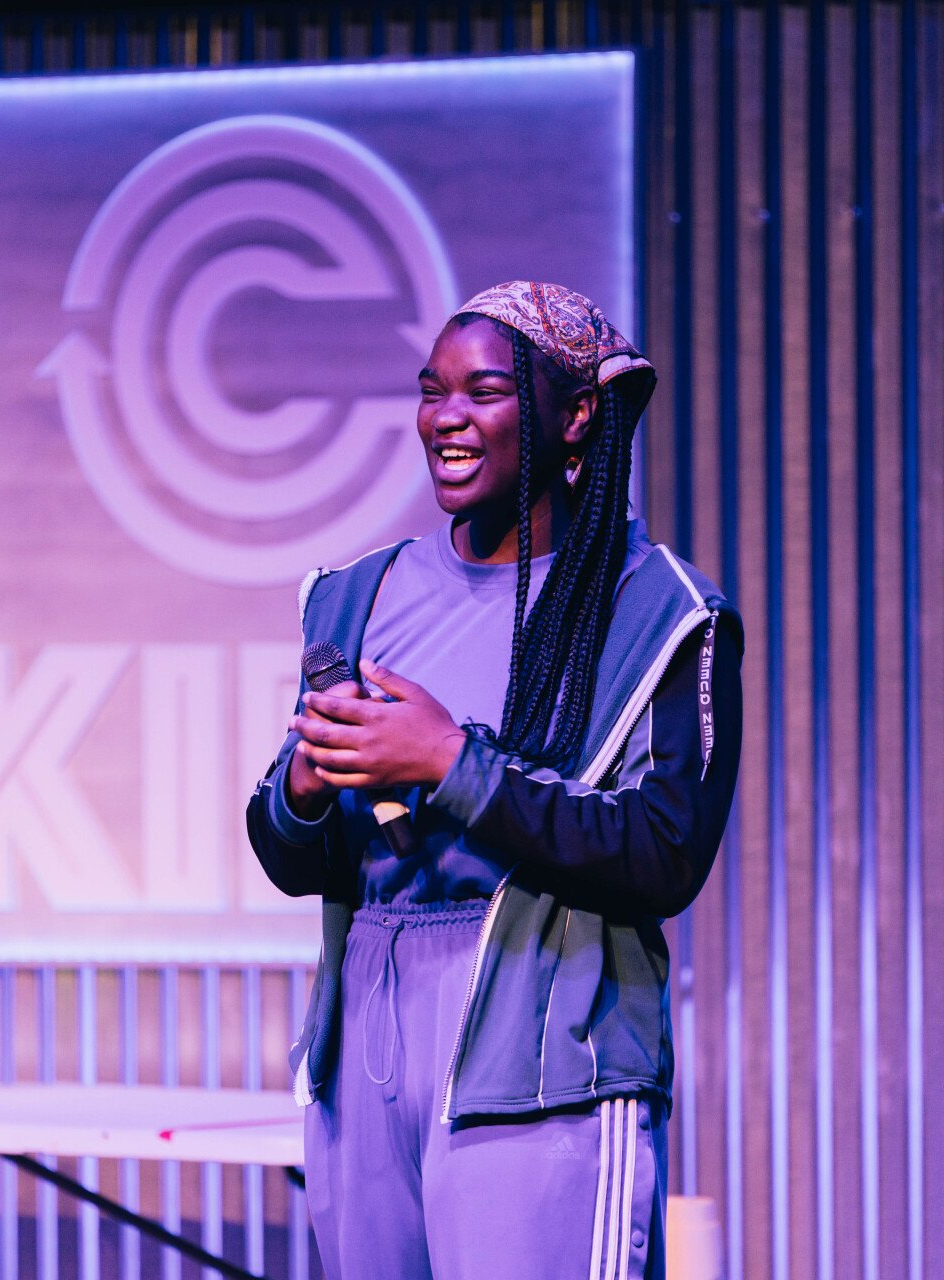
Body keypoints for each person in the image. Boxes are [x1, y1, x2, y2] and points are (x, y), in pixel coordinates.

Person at [247, 281, 743, 1280]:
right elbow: (297, 855)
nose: (445, 417)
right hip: (369, 1047)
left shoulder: (661, 612)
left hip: (545, 1045)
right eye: (431, 390)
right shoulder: (357, 594)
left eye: (482, 391)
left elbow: (663, 853)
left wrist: (449, 761)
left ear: (573, 415)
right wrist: (304, 787)